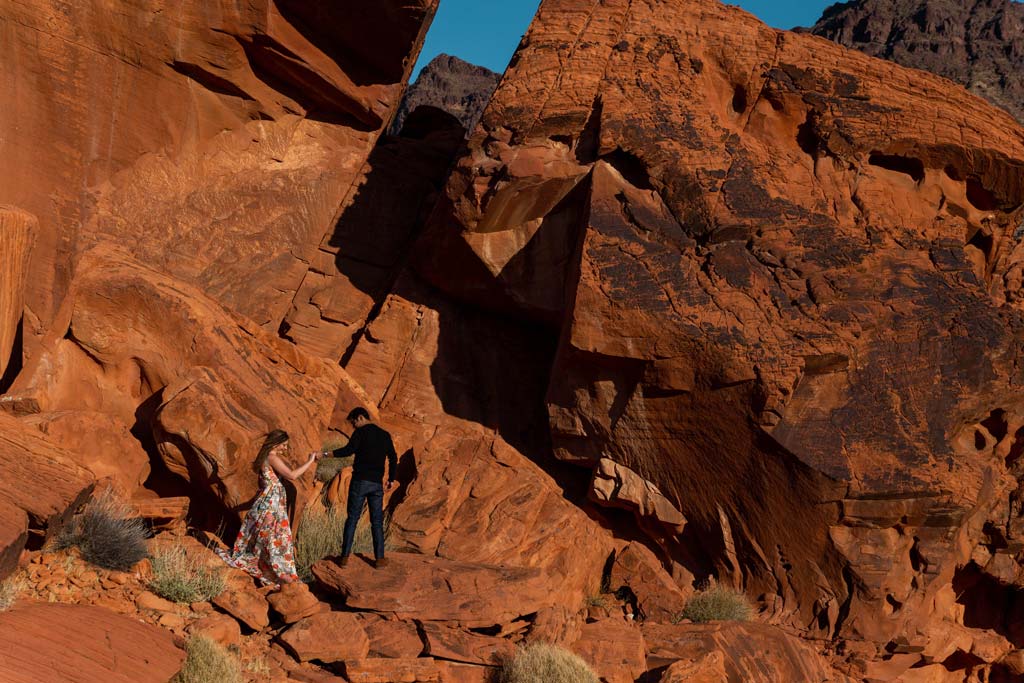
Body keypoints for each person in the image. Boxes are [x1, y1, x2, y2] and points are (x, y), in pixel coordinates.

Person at [216, 429, 320, 586]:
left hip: (272, 503)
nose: (285, 448)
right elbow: (292, 475)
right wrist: (311, 461)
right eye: (283, 445)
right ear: (276, 443)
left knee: (270, 537)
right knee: (274, 537)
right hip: (272, 504)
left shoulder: (266, 457)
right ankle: (277, 572)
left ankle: (273, 569)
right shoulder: (271, 457)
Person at [330, 407, 398, 568]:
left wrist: (326, 455)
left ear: (360, 418)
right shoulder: (384, 435)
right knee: (377, 522)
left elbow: (347, 450)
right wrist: (391, 479)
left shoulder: (361, 433)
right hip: (376, 484)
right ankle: (380, 559)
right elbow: (393, 457)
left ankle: (344, 558)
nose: (353, 426)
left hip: (360, 481)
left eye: (353, 422)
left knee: (352, 518)